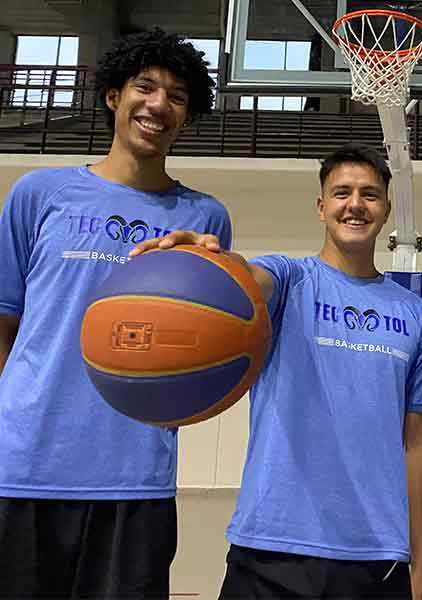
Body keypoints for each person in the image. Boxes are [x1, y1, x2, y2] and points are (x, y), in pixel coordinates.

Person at [131, 143, 422, 599]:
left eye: (370, 194)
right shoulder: (290, 278)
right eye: (342, 193)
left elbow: (416, 443)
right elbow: (247, 279)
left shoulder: (413, 313)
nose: (355, 204)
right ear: (321, 207)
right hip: (272, 548)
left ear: (386, 209)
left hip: (377, 557)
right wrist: (210, 262)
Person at [0, 29, 230, 598]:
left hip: (135, 476)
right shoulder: (39, 193)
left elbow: (214, 342)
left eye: (177, 96)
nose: (159, 104)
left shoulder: (205, 219)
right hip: (25, 468)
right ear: (113, 96)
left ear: (187, 116)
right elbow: (5, 323)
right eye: (145, 87)